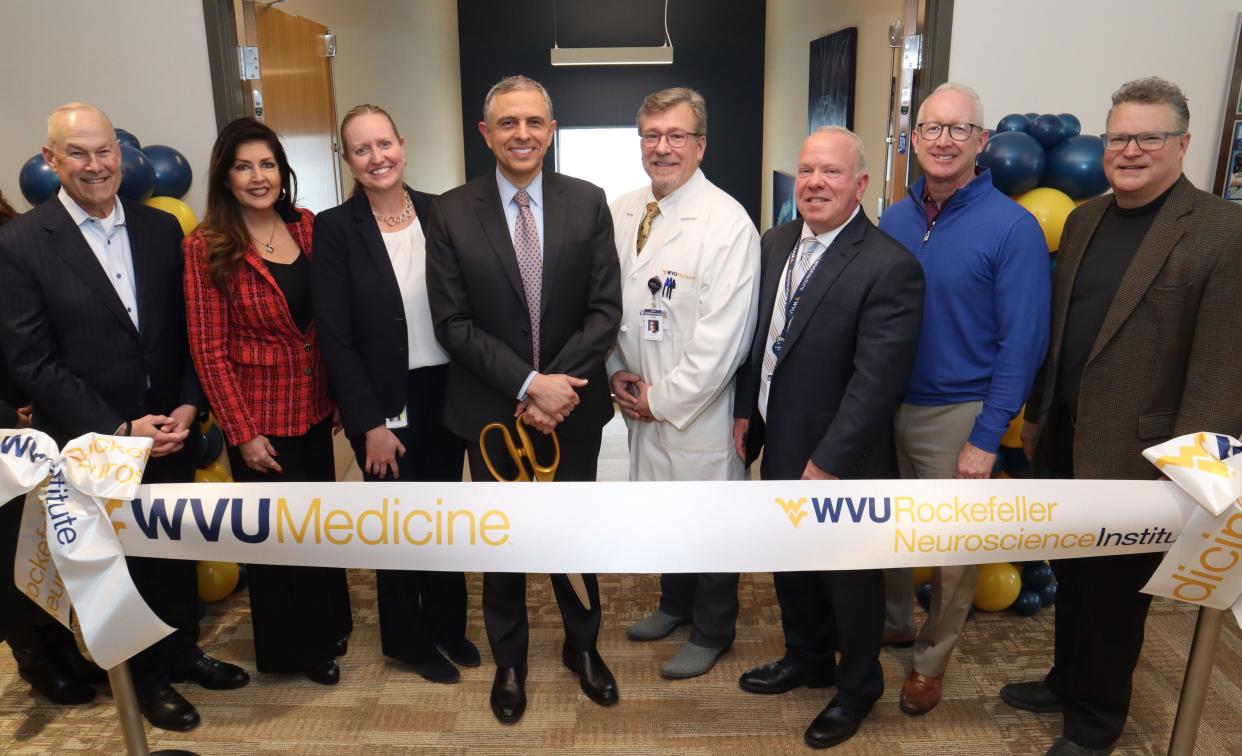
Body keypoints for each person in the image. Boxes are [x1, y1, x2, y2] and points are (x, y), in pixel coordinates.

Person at [1000, 77, 1242, 756]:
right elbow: (1065, 329)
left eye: (1148, 137)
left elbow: (1223, 365)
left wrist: (1195, 479)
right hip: (1067, 439)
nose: (1129, 150)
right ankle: (1064, 679)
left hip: (1147, 461)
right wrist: (1039, 414)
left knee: (1114, 604)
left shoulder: (1224, 232)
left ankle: (1094, 725)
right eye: (1118, 137)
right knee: (1071, 578)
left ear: (1183, 144)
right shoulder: (1084, 220)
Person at [0, 103, 248, 732]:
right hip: (93, 442)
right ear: (51, 159)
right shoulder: (21, 244)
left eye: (104, 150)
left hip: (171, 428)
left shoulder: (161, 230)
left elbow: (192, 332)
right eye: (77, 153)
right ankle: (146, 680)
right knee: (123, 563)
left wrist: (189, 405)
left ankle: (181, 649)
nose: (95, 165)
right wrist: (121, 428)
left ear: (122, 154)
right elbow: (33, 360)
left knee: (173, 549)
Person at [425, 75, 622, 725]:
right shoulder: (452, 212)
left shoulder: (588, 203)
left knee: (574, 532)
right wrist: (525, 384)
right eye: (507, 123)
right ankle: (510, 659)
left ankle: (582, 646)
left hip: (574, 407)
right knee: (503, 540)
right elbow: (452, 324)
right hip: (492, 411)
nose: (522, 134)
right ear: (486, 134)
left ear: (552, 130)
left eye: (534, 122)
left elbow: (603, 312)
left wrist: (554, 389)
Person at [733, 127, 924, 749]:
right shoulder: (776, 241)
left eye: (832, 173)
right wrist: (747, 415)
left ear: (860, 185)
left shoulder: (889, 266)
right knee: (792, 563)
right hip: (780, 439)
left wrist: (829, 461)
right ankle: (808, 657)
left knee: (849, 578)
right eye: (808, 170)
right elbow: (761, 344)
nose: (815, 183)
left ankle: (858, 685)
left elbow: (876, 384)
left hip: (842, 460)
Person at [877, 82, 1050, 715]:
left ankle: (931, 661)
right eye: (931, 129)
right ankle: (894, 620)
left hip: (960, 413)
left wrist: (986, 436)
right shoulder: (893, 219)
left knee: (954, 551)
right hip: (887, 405)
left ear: (981, 141)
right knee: (888, 528)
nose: (943, 141)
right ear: (913, 139)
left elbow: (1022, 343)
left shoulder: (1013, 227)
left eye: (959, 130)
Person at [183, 117, 352, 686]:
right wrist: (241, 431)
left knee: (318, 525)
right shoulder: (205, 247)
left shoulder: (306, 227)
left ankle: (329, 627)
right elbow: (208, 350)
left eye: (267, 164)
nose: (258, 177)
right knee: (278, 539)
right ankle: (293, 650)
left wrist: (338, 398)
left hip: (313, 408)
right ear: (225, 177)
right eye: (243, 166)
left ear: (283, 171)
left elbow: (328, 321)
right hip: (259, 419)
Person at [312, 104, 478, 683]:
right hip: (384, 401)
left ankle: (448, 626)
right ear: (346, 159)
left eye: (384, 144)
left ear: (402, 144)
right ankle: (406, 640)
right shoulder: (334, 230)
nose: (377, 157)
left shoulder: (444, 212)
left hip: (447, 390)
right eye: (362, 149)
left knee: (442, 512)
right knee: (397, 520)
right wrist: (370, 423)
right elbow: (334, 336)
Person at [609, 87, 760, 678]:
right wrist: (615, 375)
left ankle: (714, 627)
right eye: (651, 135)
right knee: (665, 513)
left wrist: (661, 398)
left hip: (698, 410)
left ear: (701, 144)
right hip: (636, 395)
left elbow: (726, 339)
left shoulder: (727, 224)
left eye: (676, 136)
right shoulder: (622, 210)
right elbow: (606, 307)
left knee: (709, 520)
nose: (662, 147)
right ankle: (675, 604)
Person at [0, 190, 107, 707]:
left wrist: (25, 399)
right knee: (4, 553)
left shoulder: (14, 237)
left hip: (24, 422)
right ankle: (35, 660)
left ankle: (65, 650)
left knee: (41, 541)